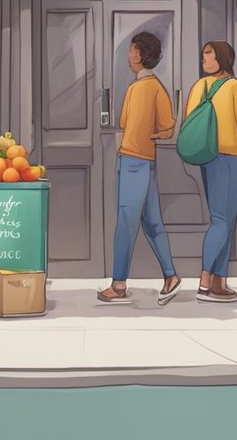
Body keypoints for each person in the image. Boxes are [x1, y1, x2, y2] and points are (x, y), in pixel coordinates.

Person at [98, 32, 180, 305]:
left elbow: (125, 120)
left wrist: (144, 135)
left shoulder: (142, 87)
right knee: (152, 221)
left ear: (141, 54)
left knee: (125, 222)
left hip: (133, 161)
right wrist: (152, 135)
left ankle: (118, 284)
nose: (129, 55)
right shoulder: (151, 86)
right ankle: (171, 276)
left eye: (133, 50)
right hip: (144, 160)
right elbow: (167, 126)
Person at [185, 40, 237, 304]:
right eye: (203, 56)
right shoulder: (234, 86)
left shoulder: (198, 87)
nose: (204, 61)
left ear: (222, 59)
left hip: (207, 156)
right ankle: (206, 278)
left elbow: (190, 119)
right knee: (222, 219)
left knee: (224, 219)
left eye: (209, 57)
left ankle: (220, 282)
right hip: (232, 156)